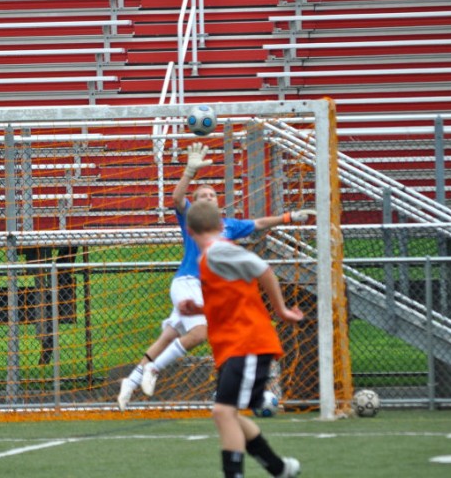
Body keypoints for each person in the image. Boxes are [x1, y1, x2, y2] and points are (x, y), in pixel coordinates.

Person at [117, 143, 311, 410]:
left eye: (212, 194)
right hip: (188, 282)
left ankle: (131, 381)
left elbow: (259, 223)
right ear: (195, 204)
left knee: (169, 336)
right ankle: (154, 369)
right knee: (200, 332)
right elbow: (176, 199)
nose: (208, 197)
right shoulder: (192, 218)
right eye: (202, 195)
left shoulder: (228, 225)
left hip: (205, 289)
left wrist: (287, 217)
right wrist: (189, 172)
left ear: (219, 202)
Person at [180, 199, 303, 477]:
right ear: (220, 224)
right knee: (227, 413)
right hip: (234, 348)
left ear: (189, 231)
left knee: (223, 413)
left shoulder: (217, 251)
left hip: (248, 344)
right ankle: (279, 468)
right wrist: (198, 309)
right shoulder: (210, 257)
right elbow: (229, 302)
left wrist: (281, 310)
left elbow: (263, 269)